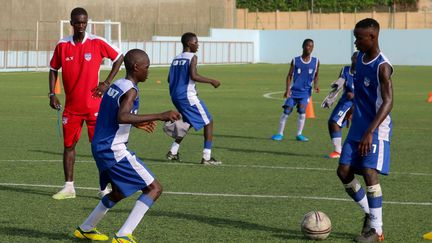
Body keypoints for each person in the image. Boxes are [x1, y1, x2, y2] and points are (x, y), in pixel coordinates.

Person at [74, 49, 180, 242]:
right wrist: (161, 115)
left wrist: (136, 122)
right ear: (136, 67)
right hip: (113, 149)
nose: (148, 71)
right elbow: (122, 116)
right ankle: (123, 235)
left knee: (119, 191)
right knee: (154, 188)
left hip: (101, 146)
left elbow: (114, 115)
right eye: (147, 67)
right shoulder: (130, 89)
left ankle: (86, 228)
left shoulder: (118, 85)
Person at [48, 7, 124, 200]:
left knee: (99, 148)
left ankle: (103, 188)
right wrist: (52, 94)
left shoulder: (97, 42)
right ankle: (68, 187)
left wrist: (106, 83)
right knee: (69, 146)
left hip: (94, 107)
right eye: (78, 22)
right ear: (71, 23)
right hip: (71, 108)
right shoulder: (63, 45)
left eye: (84, 22)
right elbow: (53, 69)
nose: (81, 25)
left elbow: (119, 57)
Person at [337, 18, 393, 243]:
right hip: (358, 125)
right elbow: (359, 90)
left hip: (376, 128)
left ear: (372, 37)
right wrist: (352, 110)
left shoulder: (383, 66)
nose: (355, 42)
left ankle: (376, 231)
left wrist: (371, 131)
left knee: (370, 173)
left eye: (359, 38)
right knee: (343, 172)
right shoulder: (357, 58)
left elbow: (388, 102)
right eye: (355, 37)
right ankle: (370, 215)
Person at [165, 32, 222, 165]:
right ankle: (206, 157)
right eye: (196, 42)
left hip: (175, 95)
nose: (198, 45)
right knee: (208, 121)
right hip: (186, 96)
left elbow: (169, 79)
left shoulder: (176, 58)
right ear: (189, 43)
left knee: (189, 122)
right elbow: (194, 75)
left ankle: (173, 152)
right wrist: (211, 80)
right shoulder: (192, 57)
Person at [271, 39, 320, 142]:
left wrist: (316, 85)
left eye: (311, 46)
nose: (309, 48)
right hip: (293, 92)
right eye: (307, 46)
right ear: (303, 46)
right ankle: (280, 133)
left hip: (305, 93)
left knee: (302, 111)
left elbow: (316, 75)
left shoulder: (316, 62)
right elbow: (289, 75)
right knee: (286, 111)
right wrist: (287, 90)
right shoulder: (295, 60)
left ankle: (299, 134)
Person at [326, 51, 358, 159]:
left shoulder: (364, 72)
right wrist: (332, 96)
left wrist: (354, 95)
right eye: (354, 57)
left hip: (356, 102)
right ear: (351, 58)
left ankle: (338, 151)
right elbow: (340, 83)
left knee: (335, 122)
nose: (356, 60)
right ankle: (340, 151)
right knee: (332, 122)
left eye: (358, 58)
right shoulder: (345, 69)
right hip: (344, 101)